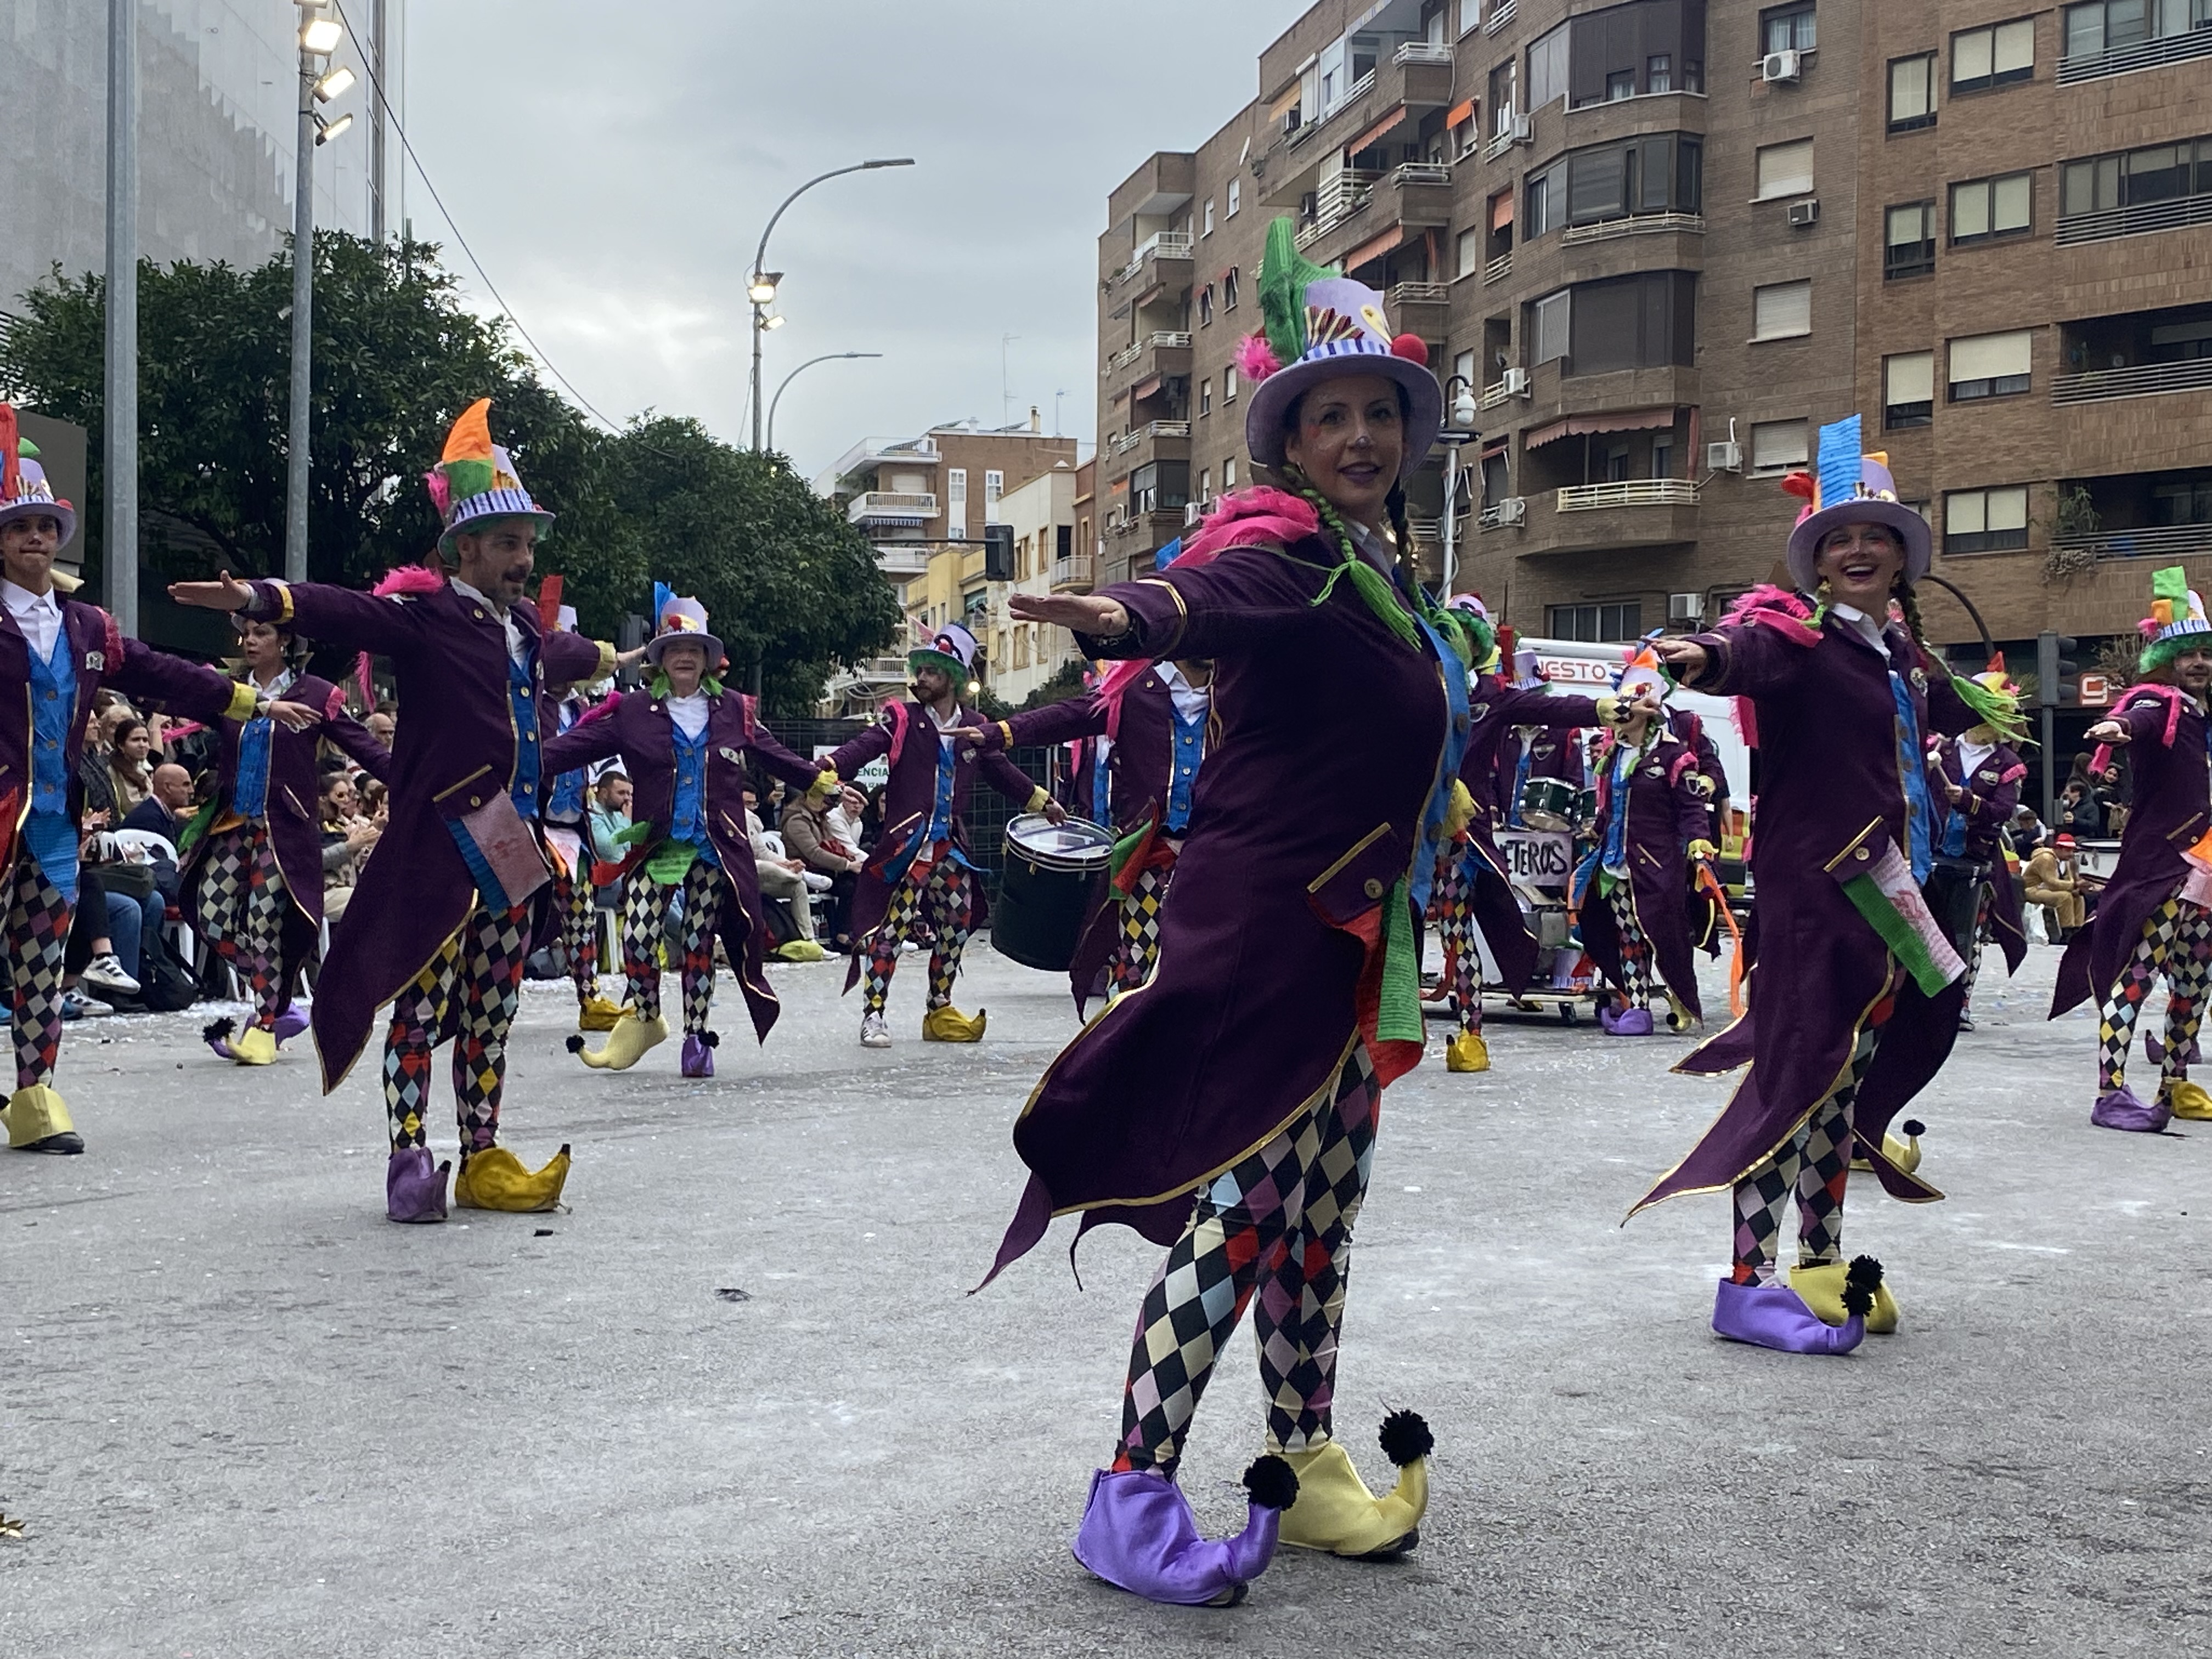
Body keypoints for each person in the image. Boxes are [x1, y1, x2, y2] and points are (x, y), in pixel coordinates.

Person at [986, 223, 1459, 1606]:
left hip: (1355, 936)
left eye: (1380, 413)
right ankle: (1131, 1496)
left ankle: (1304, 1462)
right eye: (1332, 417)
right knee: (1245, 1212)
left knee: (1322, 1212)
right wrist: (1128, 614)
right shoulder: (1291, 553)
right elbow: (1209, 595)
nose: (1361, 437)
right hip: (1271, 933)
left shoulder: (1380, 570)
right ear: (1290, 443)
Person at [168, 398, 618, 1220]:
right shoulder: (425, 620)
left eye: (529, 544)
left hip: (513, 847)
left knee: (493, 1009)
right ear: (464, 547)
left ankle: (482, 1158)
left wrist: (643, 655)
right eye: (508, 543)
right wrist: (264, 596)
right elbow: (347, 607)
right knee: (420, 1005)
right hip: (440, 846)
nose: (524, 559)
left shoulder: (524, 629)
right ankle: (408, 1160)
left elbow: (574, 653)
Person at [1643, 416, 2006, 1355]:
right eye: (1838, 537)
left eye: (1875, 535)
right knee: (1795, 1077)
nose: (1857, 549)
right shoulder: (1799, 636)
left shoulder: (1896, 655)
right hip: (1814, 898)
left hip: (1886, 896)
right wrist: (1704, 656)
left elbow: (1939, 722)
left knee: (1842, 1084)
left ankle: (1818, 1257)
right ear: (1816, 558)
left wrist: (1989, 715)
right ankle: (1744, 1283)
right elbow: (1745, 649)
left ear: (1901, 558)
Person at [0, 404, 276, 1155]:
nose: (35, 537)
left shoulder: (87, 624)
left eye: (45, 525)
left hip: (56, 824)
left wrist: (243, 697)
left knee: (40, 962)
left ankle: (34, 1098)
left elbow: (158, 671)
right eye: (18, 526)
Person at [543, 596, 831, 1079]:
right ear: (660, 658)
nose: (684, 657)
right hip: (660, 845)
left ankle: (697, 1039)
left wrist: (819, 780)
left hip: (714, 846)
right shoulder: (634, 711)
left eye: (694, 649)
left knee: (699, 939)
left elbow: (775, 754)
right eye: (675, 648)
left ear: (707, 659)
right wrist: (517, 759)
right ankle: (645, 1017)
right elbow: (575, 747)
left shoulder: (734, 709)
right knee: (638, 933)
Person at [821, 623, 1057, 1049]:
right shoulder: (901, 718)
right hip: (907, 849)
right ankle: (874, 1015)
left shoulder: (976, 726)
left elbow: (1001, 772)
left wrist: (1042, 801)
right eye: (922, 670)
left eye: (932, 671)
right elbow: (863, 747)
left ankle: (939, 1009)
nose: (922, 678)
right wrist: (828, 768)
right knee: (890, 932)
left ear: (953, 677)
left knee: (958, 925)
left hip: (950, 850)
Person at [1429, 603, 1638, 1070]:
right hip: (1403, 836)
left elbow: (1550, 708)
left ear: (1476, 648)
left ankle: (1471, 1037)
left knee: (1457, 936)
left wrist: (1604, 708)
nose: (1453, 645)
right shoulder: (1415, 689)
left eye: (1463, 638)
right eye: (1445, 634)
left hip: (1460, 838)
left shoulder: (1490, 698)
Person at [185, 612, 389, 1065]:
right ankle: (279, 1003)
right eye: (246, 633)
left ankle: (264, 1024)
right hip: (232, 822)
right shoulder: (232, 691)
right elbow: (181, 696)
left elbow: (364, 746)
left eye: (261, 632)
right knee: (211, 917)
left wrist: (413, 783)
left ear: (286, 641)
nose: (250, 640)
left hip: (284, 827)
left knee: (263, 918)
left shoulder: (316, 694)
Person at [2049, 568, 2212, 1130]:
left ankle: (2175, 1084)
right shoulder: (2161, 703)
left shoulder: (2200, 714)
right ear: (2165, 660)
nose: (2199, 663)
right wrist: (2115, 729)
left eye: (2205, 654)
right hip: (2165, 868)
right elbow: (2136, 718)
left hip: (2203, 870)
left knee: (2195, 984)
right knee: (2137, 979)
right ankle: (2110, 1093)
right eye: (2187, 654)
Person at [975, 638, 1213, 1007]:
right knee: (1134, 973)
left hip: (1218, 862)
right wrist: (1002, 732)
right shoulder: (1134, 691)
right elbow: (1070, 716)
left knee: (1211, 974)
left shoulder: (1236, 694)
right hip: (1149, 857)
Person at [1572, 648, 1717, 1036]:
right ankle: (1637, 1008)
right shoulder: (1613, 756)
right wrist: (1596, 830)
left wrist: (1700, 845)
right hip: (1614, 862)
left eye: (1630, 708)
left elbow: (1691, 808)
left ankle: (1682, 999)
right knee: (1627, 935)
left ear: (1648, 712)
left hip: (1657, 864)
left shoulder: (1675, 757)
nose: (1621, 715)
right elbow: (1610, 805)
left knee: (1665, 935)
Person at [1930, 665, 2030, 1031]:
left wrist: (1969, 801)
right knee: (1925, 929)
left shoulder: (2009, 764)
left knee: (1967, 935)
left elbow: (2003, 811)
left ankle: (1959, 1004)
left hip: (1976, 859)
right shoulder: (1938, 748)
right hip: (1931, 853)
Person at [539, 602, 623, 1034]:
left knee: (581, 912)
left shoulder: (580, 708)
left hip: (573, 828)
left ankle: (589, 998)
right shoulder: (525, 703)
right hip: (530, 826)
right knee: (514, 916)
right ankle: (480, 995)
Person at [742, 784, 826, 957]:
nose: (749, 808)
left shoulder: (751, 821)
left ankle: (809, 940)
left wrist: (787, 863)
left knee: (797, 886)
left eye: (753, 804)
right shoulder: (725, 818)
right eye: (745, 804)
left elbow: (763, 852)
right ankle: (802, 875)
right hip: (736, 875)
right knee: (764, 867)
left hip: (758, 878)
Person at [781, 784, 865, 951]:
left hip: (824, 868)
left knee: (857, 880)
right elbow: (814, 853)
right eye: (822, 798)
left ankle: (849, 932)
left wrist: (848, 858)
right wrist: (847, 865)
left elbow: (832, 844)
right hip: (806, 870)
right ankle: (843, 934)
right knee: (850, 884)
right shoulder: (797, 821)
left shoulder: (820, 818)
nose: (826, 803)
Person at [2024, 832, 2089, 939]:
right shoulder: (2046, 859)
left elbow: (2069, 880)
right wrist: (2075, 885)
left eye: (2072, 851)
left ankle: (2078, 929)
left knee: (2078, 897)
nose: (2071, 854)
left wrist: (2077, 889)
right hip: (2033, 889)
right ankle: (2067, 932)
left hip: (2048, 889)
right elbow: (2052, 882)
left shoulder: (2065, 861)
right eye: (2068, 851)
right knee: (2065, 897)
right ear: (2058, 849)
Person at [123, 762, 193, 839]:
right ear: (167, 787)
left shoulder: (161, 816)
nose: (191, 791)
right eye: (186, 785)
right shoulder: (148, 820)